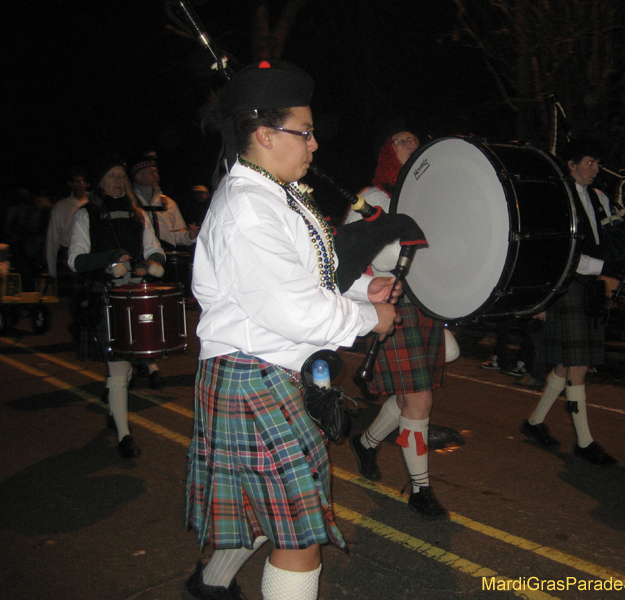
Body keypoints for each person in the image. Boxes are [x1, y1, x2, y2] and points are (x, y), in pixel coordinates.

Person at [183, 61, 399, 600]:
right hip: (252, 378)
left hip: (269, 376)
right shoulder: (250, 209)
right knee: (299, 536)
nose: (314, 143)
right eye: (303, 132)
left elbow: (311, 280)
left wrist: (358, 295)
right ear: (263, 135)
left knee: (273, 516)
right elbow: (294, 311)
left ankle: (208, 586)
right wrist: (371, 320)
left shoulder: (279, 196)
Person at [345, 123, 449, 520]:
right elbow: (347, 258)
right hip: (393, 303)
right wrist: (371, 293)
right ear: (387, 150)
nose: (414, 144)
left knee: (412, 390)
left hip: (426, 303)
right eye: (403, 140)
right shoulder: (371, 198)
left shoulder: (428, 201)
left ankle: (368, 442)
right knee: (419, 398)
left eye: (416, 140)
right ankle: (421, 489)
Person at [520, 138, 625, 465]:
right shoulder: (559, 199)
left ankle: (533, 423)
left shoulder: (601, 199)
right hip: (570, 283)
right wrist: (605, 266)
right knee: (579, 364)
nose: (596, 169)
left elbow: (610, 243)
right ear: (571, 165)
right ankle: (584, 442)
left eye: (597, 163)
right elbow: (565, 254)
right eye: (589, 162)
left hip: (595, 285)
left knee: (569, 362)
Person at [68, 154, 166, 459]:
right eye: (111, 176)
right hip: (106, 295)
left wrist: (150, 264)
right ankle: (124, 435)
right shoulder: (86, 215)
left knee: (126, 367)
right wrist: (110, 258)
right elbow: (75, 260)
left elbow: (154, 249)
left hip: (134, 295)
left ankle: (115, 410)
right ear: (100, 182)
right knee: (119, 368)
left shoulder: (138, 214)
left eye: (121, 176)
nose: (118, 181)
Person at [131, 151, 198, 389]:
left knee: (158, 315)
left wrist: (188, 236)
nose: (156, 175)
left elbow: (177, 235)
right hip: (140, 265)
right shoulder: (131, 203)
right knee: (139, 314)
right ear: (138, 176)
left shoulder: (168, 203)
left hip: (164, 265)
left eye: (156, 171)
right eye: (150, 171)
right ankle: (147, 363)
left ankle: (150, 357)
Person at [45, 167, 88, 294]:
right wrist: (52, 272)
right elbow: (53, 239)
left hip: (89, 255)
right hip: (68, 256)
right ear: (70, 184)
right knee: (69, 299)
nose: (79, 185)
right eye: (75, 182)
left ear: (87, 183)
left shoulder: (94, 203)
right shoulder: (61, 206)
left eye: (82, 181)